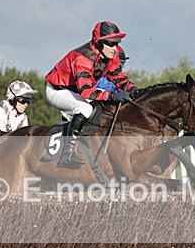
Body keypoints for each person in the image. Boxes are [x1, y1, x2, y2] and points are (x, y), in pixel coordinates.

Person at [45, 21, 138, 168]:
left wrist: (133, 89)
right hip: (57, 91)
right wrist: (111, 95)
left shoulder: (111, 57)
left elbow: (119, 78)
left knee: (103, 106)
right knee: (85, 109)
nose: (115, 48)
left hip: (75, 90)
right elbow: (86, 91)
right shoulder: (82, 58)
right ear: (99, 42)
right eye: (111, 44)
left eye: (117, 43)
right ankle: (67, 154)